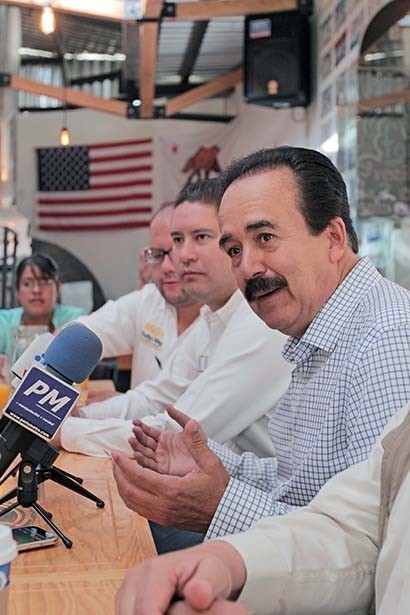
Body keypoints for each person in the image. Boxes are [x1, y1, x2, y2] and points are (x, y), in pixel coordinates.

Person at [112, 146, 410, 549]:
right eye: (234, 250)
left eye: (265, 238)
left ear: (334, 238)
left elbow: (376, 547)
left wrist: (219, 505)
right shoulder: (317, 335)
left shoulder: (387, 341)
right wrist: (212, 464)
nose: (247, 267)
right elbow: (301, 485)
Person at [58, 179, 290, 465]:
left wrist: (64, 430)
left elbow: (179, 435)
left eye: (201, 237)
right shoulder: (212, 317)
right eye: (178, 240)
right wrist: (79, 416)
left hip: (272, 502)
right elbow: (157, 398)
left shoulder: (259, 320)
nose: (183, 256)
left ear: (234, 243)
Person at [114, 399, 410, 615]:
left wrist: (221, 507)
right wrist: (231, 560)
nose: (250, 308)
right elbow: (359, 529)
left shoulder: (385, 335)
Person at [76, 202, 201, 400]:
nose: (168, 267)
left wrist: (123, 410)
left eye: (176, 250)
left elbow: (187, 421)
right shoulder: (150, 299)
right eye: (157, 255)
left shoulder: (224, 317)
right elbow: (83, 332)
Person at [0, 253, 85, 356]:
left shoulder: (74, 319)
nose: (36, 290)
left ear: (58, 288)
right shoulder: (3, 322)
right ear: (17, 290)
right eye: (27, 283)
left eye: (44, 282)